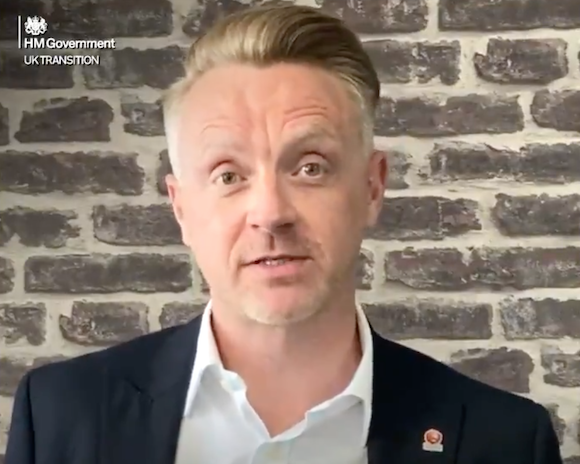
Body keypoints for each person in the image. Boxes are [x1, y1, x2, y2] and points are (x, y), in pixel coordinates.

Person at [5, 4, 563, 464]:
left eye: (311, 166)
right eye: (228, 175)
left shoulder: (506, 441)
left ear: (372, 187)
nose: (270, 213)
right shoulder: (60, 415)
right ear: (181, 209)